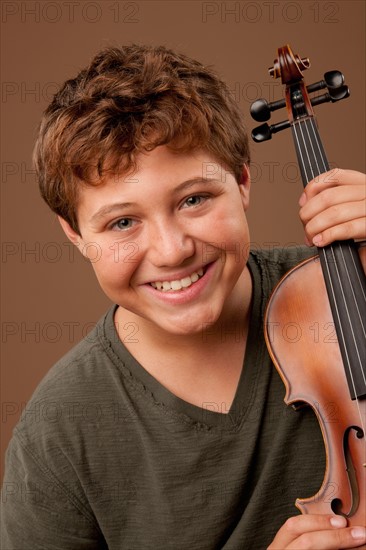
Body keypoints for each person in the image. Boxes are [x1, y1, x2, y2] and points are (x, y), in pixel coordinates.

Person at [1, 44, 365, 549]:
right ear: (75, 234)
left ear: (241, 181)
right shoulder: (58, 435)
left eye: (194, 199)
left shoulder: (346, 285)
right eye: (123, 222)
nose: (172, 252)